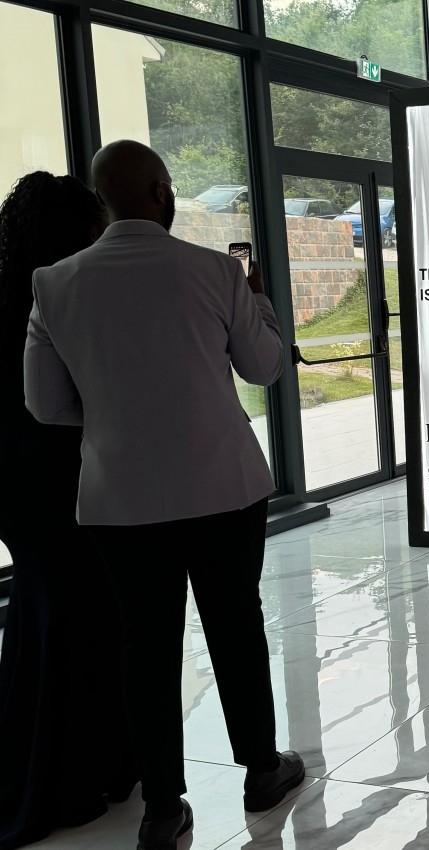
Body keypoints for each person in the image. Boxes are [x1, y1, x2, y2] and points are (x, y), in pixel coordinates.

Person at [23, 140, 304, 850]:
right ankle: (262, 771)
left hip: (121, 499)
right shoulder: (214, 270)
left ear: (103, 200)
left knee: (144, 645)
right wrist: (262, 305)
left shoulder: (53, 284)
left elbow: (46, 406)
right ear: (160, 192)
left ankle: (162, 808)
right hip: (221, 488)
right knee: (235, 627)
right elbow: (264, 366)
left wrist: (121, 419)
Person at [0, 173, 136, 848]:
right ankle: (86, 770)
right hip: (66, 472)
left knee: (41, 611)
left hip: (14, 482)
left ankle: (43, 763)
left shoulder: (10, 293)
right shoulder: (65, 296)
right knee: (89, 613)